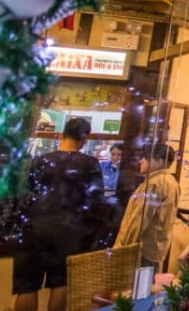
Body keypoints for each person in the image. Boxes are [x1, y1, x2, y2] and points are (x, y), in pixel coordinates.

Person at [14, 118, 104, 311]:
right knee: (61, 282)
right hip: (69, 231)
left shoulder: (40, 161)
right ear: (84, 139)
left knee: (27, 285)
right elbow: (96, 201)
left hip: (34, 227)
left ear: (61, 135)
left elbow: (27, 194)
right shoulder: (90, 164)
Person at [115, 143, 180, 270]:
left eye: (146, 158)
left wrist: (123, 248)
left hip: (143, 250)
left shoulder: (154, 183)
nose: (141, 161)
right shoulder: (171, 182)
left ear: (158, 162)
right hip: (155, 248)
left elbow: (139, 219)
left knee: (139, 281)